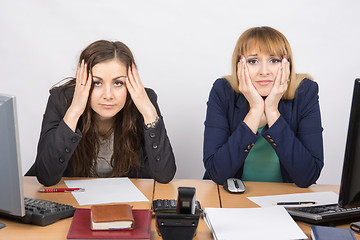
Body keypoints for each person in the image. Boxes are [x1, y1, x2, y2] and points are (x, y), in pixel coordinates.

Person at [26, 40, 176, 186]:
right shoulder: (62, 100)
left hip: (123, 203)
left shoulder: (143, 101)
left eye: (118, 83)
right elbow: (46, 177)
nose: (108, 95)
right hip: (69, 202)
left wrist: (149, 113)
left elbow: (164, 175)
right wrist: (74, 112)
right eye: (97, 83)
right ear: (82, 81)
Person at [203, 26, 323, 188]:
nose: (264, 71)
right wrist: (255, 111)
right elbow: (217, 173)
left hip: (287, 200)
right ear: (239, 65)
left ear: (287, 65)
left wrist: (272, 111)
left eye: (274, 60)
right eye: (253, 61)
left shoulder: (305, 92)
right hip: (232, 200)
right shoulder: (223, 91)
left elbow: (308, 176)